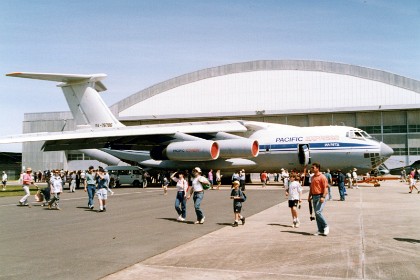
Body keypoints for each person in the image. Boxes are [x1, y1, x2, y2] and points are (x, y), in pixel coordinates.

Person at [308, 162, 329, 236]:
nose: (312, 169)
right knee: (316, 214)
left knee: (318, 212)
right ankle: (320, 230)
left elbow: (325, 188)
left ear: (317, 168)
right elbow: (311, 187)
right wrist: (309, 196)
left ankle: (326, 226)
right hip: (314, 196)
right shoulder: (312, 177)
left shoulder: (322, 177)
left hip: (321, 196)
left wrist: (323, 197)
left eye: (313, 167)